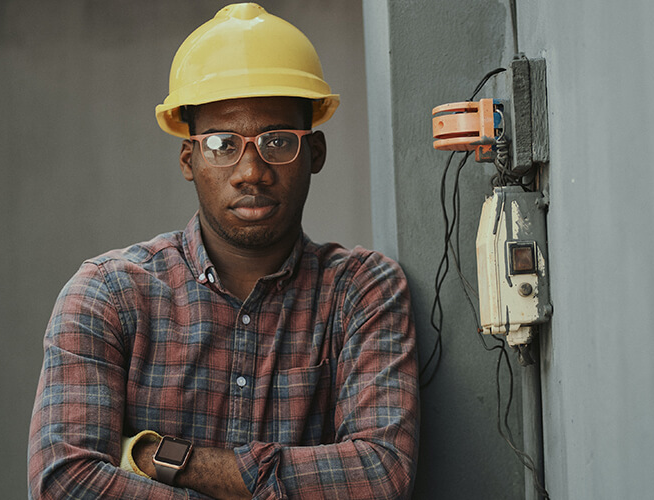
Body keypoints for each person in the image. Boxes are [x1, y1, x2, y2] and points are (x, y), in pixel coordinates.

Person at [27, 4, 418, 499]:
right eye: (221, 143)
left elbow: (381, 475)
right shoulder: (108, 295)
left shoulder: (362, 291)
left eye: (278, 141)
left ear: (315, 153)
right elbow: (65, 483)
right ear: (189, 158)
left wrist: (165, 458)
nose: (251, 171)